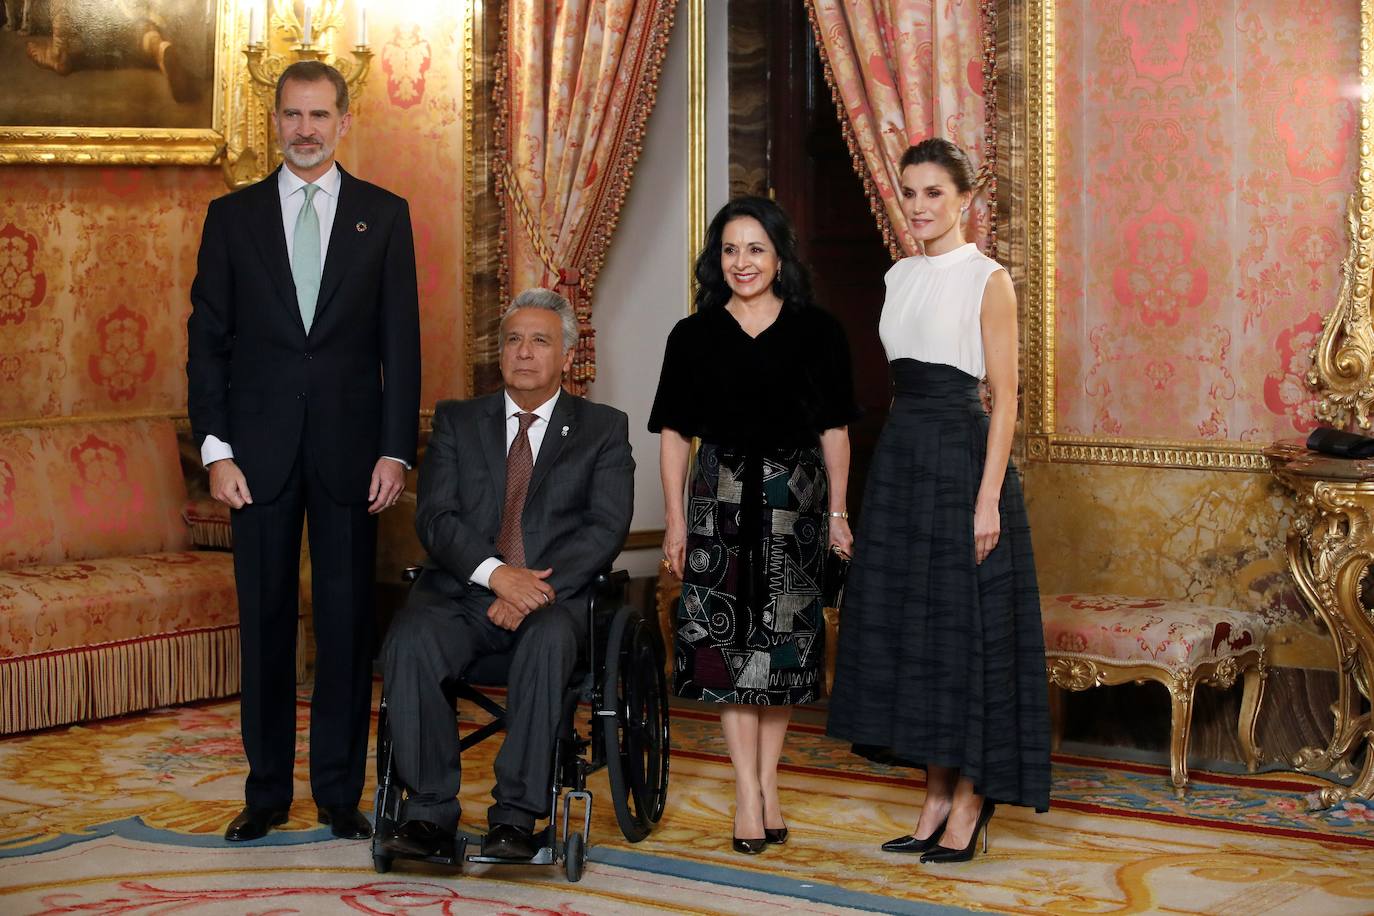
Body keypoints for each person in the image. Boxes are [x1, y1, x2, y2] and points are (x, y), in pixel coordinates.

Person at [186, 60, 421, 843]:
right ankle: (264, 793)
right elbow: (207, 346)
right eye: (292, 115)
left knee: (350, 624)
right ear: (275, 121)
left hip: (354, 459)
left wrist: (396, 452)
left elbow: (401, 345)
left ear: (345, 122)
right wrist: (216, 451)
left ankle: (337, 793)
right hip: (255, 460)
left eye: (320, 115)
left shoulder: (384, 217)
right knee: (265, 623)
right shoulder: (232, 218)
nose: (306, 130)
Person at [827, 138, 1050, 863]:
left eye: (934, 193)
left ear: (964, 198)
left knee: (963, 632)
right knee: (913, 631)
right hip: (901, 459)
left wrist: (988, 499)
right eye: (911, 192)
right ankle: (931, 797)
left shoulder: (990, 279)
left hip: (962, 462)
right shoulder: (897, 276)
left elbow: (1007, 399)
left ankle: (970, 801)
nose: (920, 207)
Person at [380, 288, 634, 862]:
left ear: (567, 356)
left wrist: (530, 590)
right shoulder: (457, 420)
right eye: (514, 340)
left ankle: (516, 819)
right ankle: (426, 815)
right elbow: (436, 515)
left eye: (540, 340)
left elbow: (606, 527)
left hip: (552, 601)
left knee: (547, 643)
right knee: (411, 638)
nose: (524, 352)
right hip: (465, 592)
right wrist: (498, 577)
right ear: (500, 354)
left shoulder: (601, 428)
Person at [650, 197, 859, 854]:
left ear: (779, 257)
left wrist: (838, 514)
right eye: (730, 250)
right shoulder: (693, 335)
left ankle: (768, 784)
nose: (741, 262)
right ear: (718, 259)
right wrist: (676, 523)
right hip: (719, 501)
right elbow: (675, 435)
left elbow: (835, 431)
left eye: (755, 249)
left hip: (794, 505)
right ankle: (747, 793)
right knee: (731, 656)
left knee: (783, 655)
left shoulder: (819, 331)